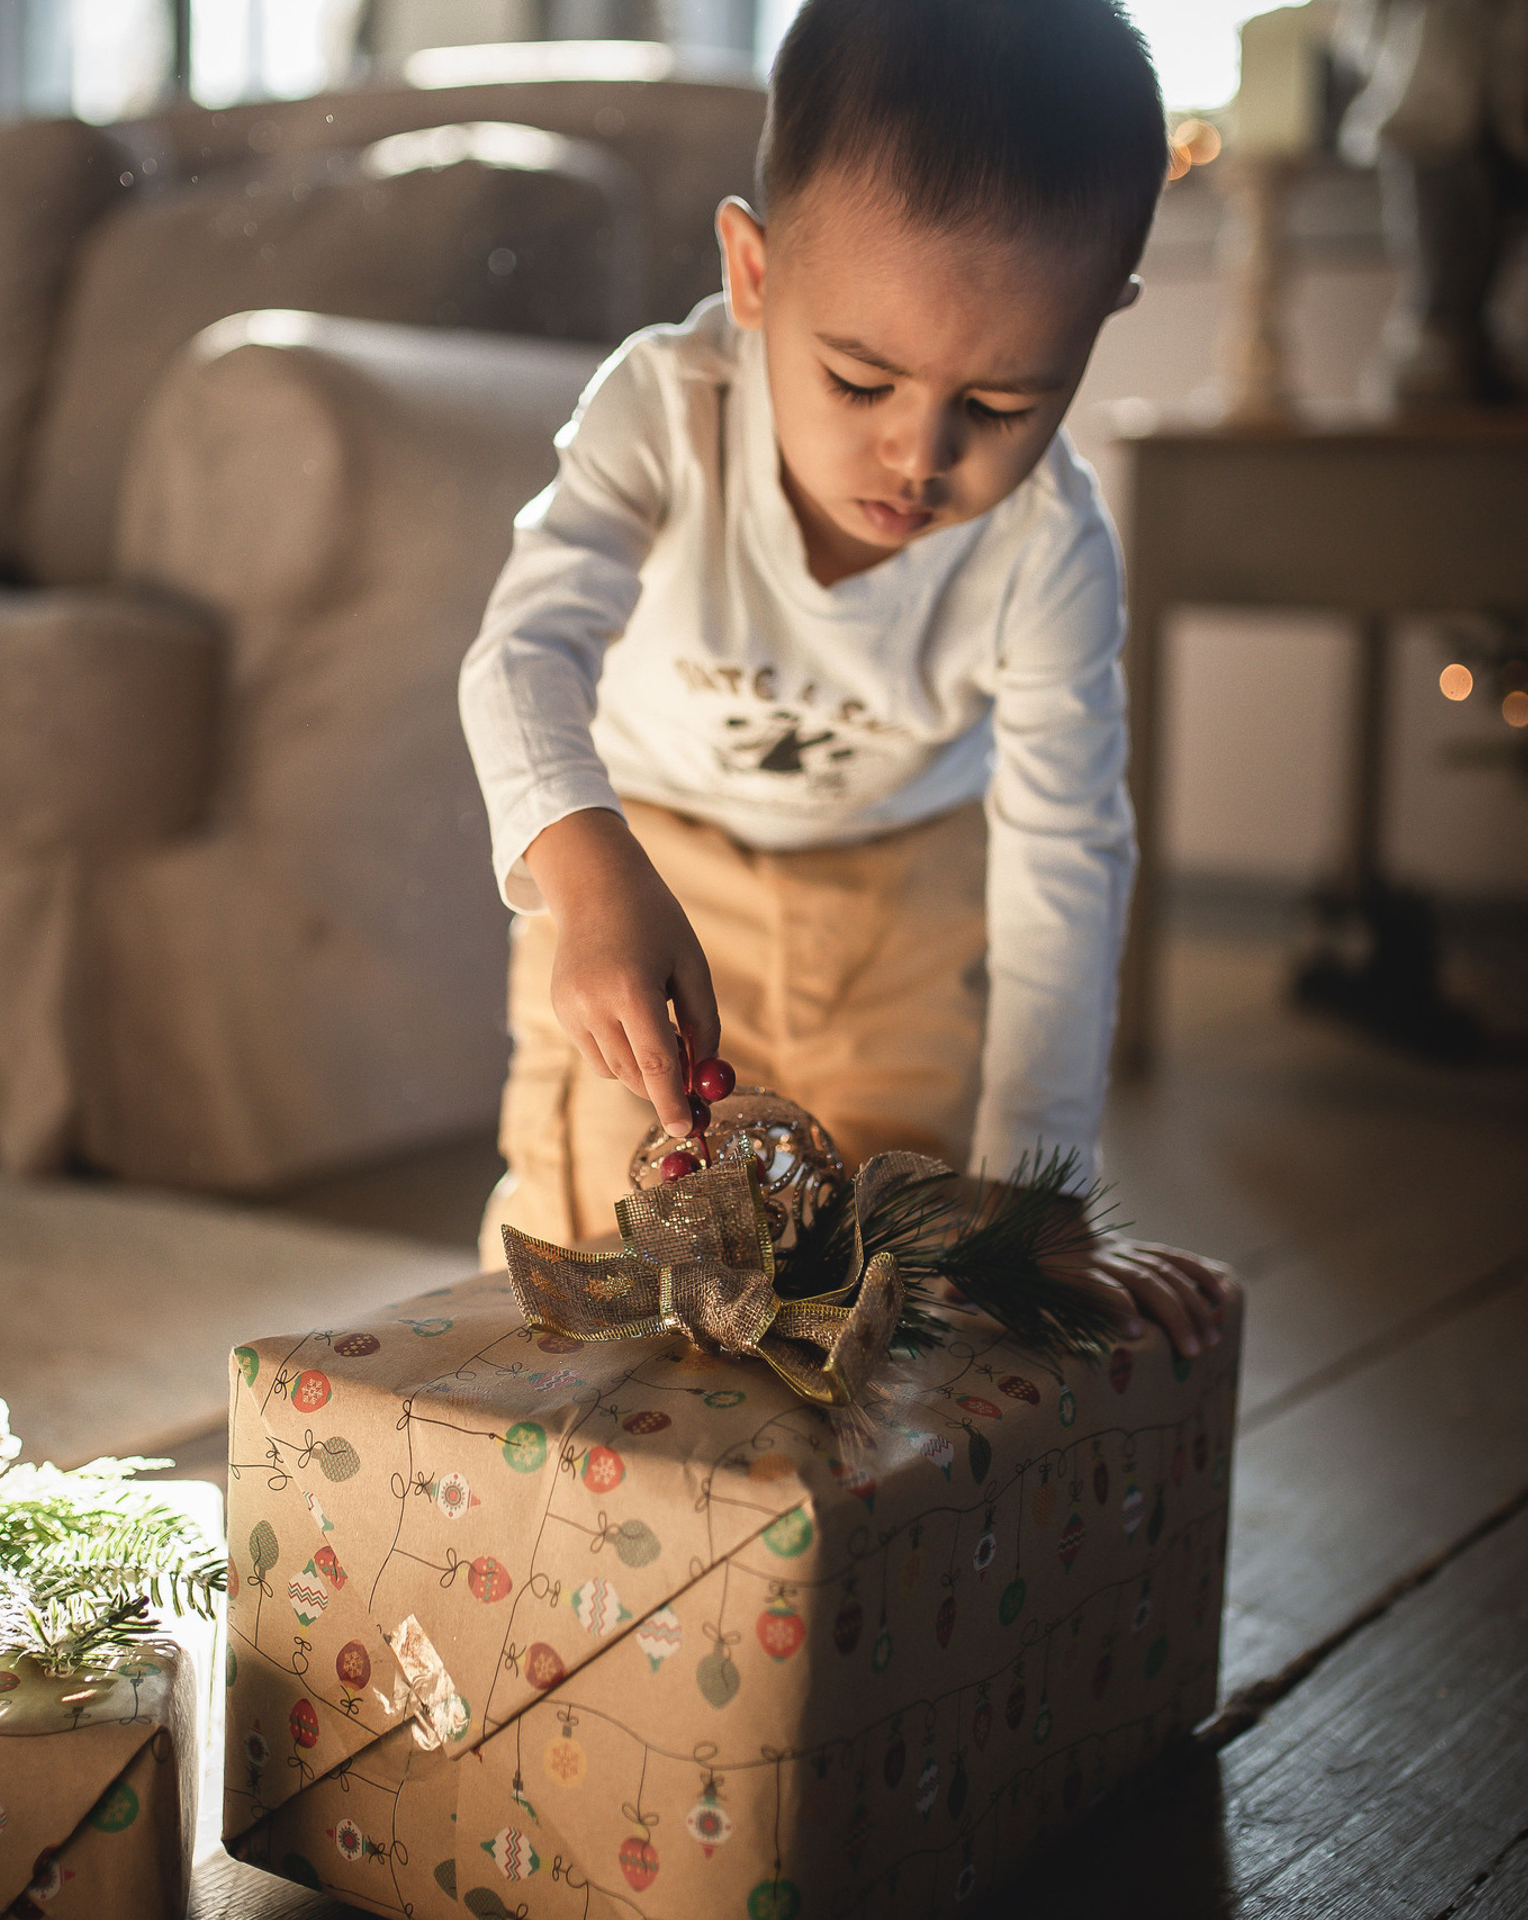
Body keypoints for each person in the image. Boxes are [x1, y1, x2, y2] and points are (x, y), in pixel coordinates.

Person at [460, 0, 1230, 1355]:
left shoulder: (1055, 548)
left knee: (898, 1283)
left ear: (1098, 327)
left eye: (1000, 407)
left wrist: (1038, 1199)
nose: (920, 457)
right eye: (860, 379)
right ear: (752, 277)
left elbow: (1063, 862)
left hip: (908, 915)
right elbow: (522, 650)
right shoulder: (665, 411)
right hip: (650, 878)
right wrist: (586, 875)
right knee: (590, 1260)